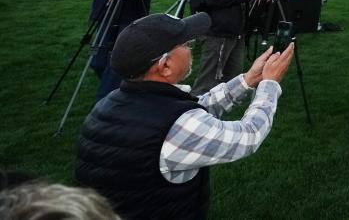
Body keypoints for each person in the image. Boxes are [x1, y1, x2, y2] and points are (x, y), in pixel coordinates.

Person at [75, 12, 294, 220]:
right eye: (186, 44)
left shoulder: (109, 104)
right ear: (165, 65)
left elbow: (197, 106)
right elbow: (249, 136)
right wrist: (270, 85)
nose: (192, 48)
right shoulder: (176, 126)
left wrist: (247, 80)